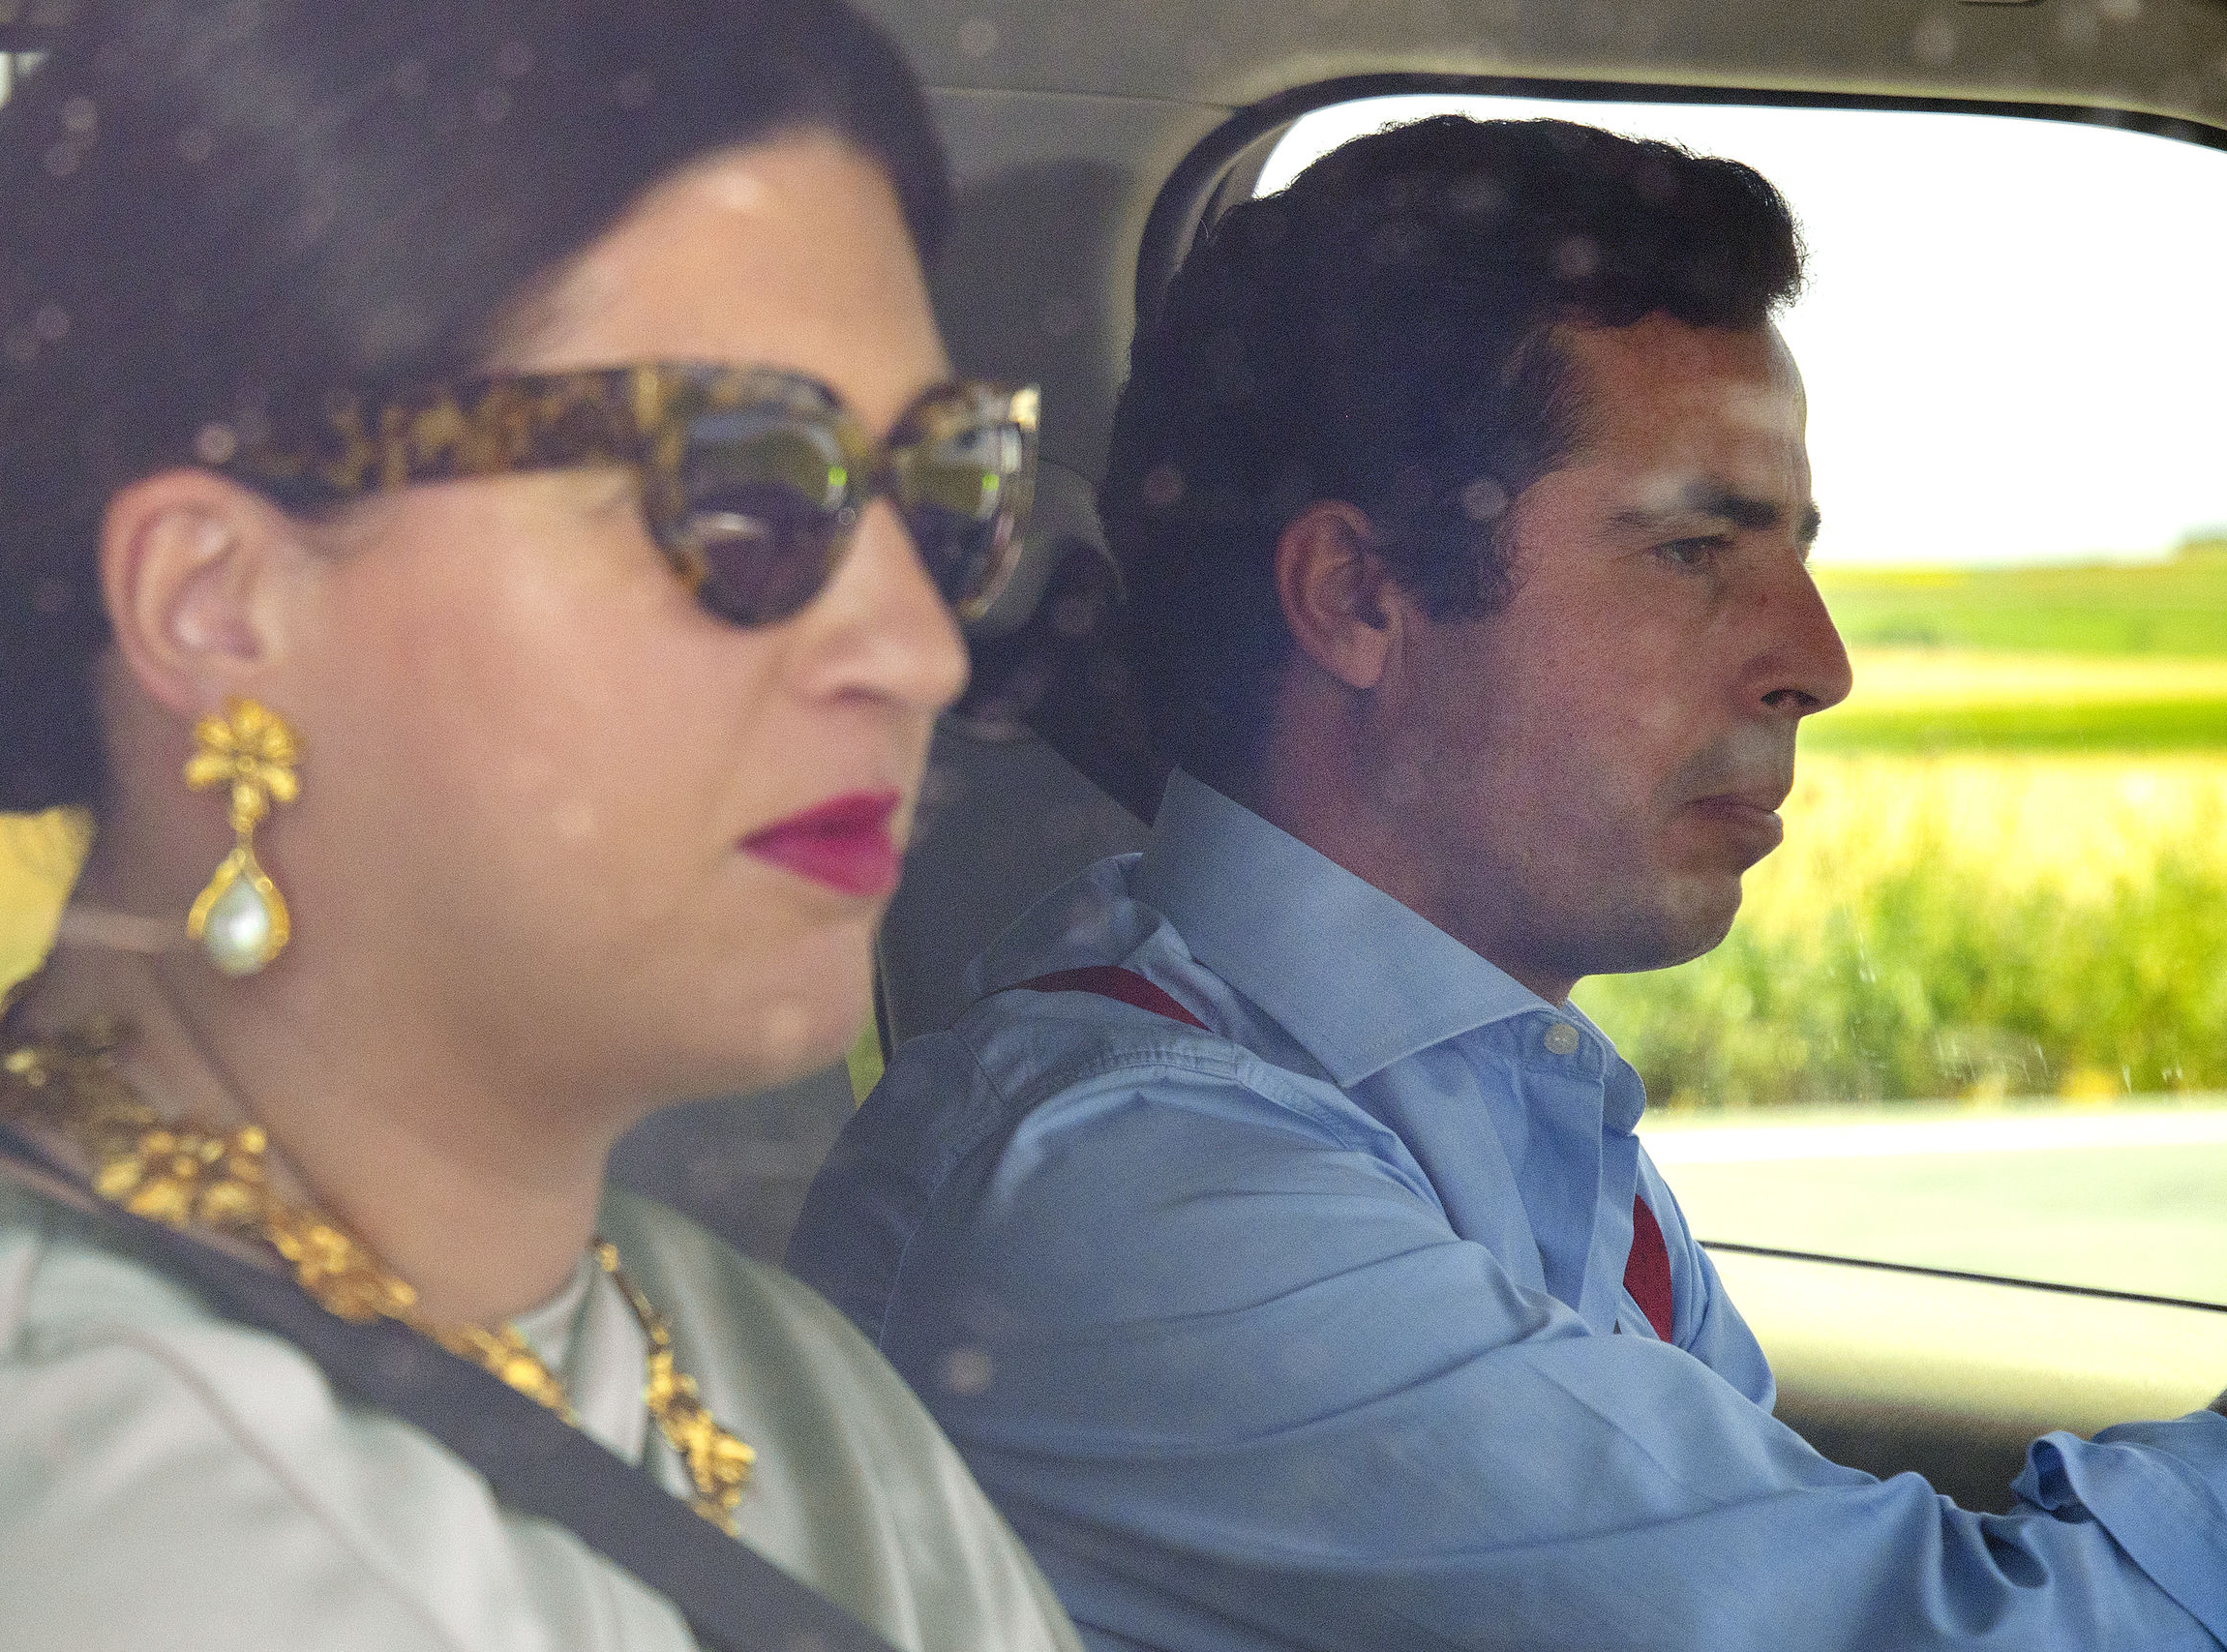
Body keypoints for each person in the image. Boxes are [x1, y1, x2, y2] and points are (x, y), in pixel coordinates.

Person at [788, 115, 2227, 1650]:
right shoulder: (1128, 1193)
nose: (1817, 663)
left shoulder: (1487, 1105)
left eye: (1795, 556)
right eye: (1694, 552)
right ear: (1359, 597)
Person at [0, 3, 1080, 1649]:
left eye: (948, 488)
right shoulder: (53, 1517)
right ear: (219, 604)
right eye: (743, 484)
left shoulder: (774, 1372)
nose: (920, 649)